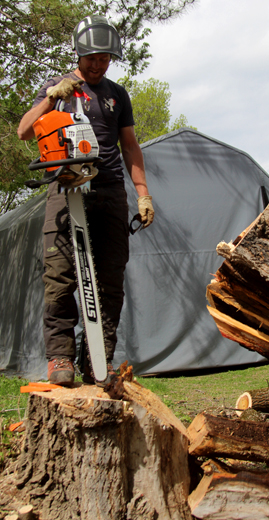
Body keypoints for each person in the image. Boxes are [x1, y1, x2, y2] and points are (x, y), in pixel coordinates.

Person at [17, 15, 154, 387]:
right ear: (79, 53)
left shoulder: (116, 95)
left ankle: (98, 358)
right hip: (64, 189)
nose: (97, 64)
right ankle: (59, 357)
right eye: (92, 57)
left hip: (109, 191)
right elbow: (25, 131)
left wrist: (142, 194)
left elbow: (130, 146)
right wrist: (51, 98)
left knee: (109, 280)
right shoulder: (56, 88)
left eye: (104, 58)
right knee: (60, 277)